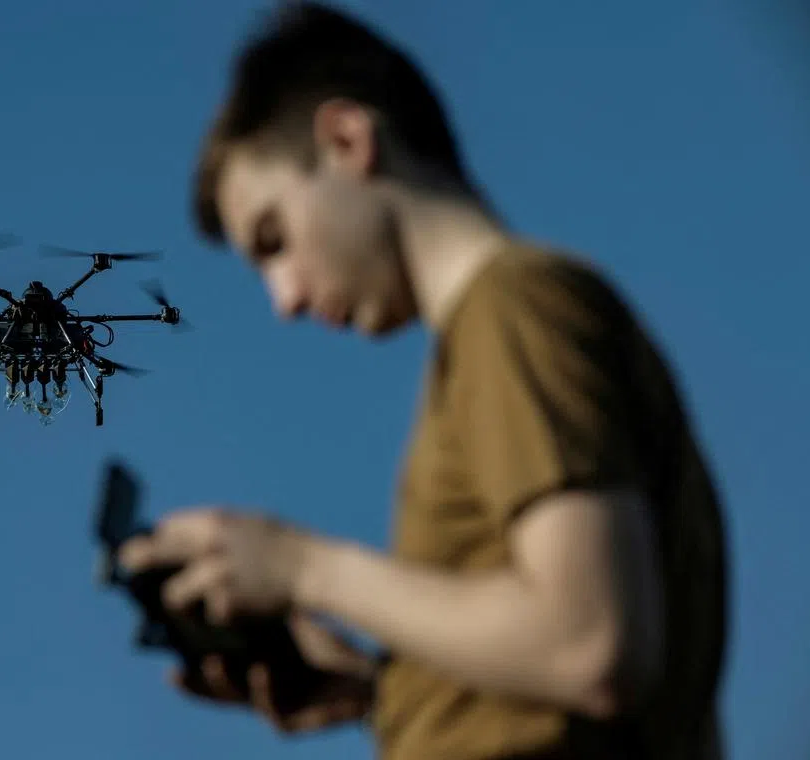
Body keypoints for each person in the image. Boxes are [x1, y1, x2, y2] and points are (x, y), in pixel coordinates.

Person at [118, 3, 730, 759]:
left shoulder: (514, 307)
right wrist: (391, 693)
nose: (286, 300)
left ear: (348, 140)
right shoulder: (505, 326)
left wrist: (302, 567)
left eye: (275, 240)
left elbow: (591, 645)